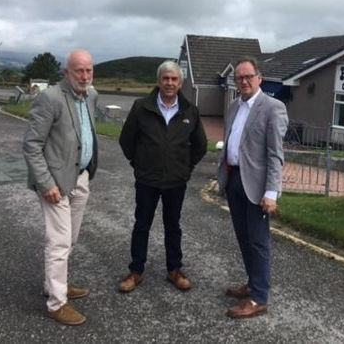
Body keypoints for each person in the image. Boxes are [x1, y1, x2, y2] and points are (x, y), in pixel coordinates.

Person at [23, 49, 98, 326]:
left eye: (89, 70)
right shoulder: (50, 98)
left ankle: (55, 284)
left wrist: (87, 172)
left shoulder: (91, 95)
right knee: (59, 242)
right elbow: (31, 145)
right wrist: (46, 183)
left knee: (72, 239)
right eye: (79, 70)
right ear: (66, 72)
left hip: (80, 178)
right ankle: (56, 303)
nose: (85, 75)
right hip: (55, 183)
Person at [118, 60, 207, 293]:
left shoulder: (190, 111)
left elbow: (200, 146)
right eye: (165, 78)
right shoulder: (141, 107)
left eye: (174, 79)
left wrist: (185, 169)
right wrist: (138, 165)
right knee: (142, 225)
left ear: (180, 83)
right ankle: (136, 271)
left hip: (176, 182)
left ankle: (174, 270)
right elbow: (126, 141)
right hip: (147, 180)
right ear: (159, 81)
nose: (169, 83)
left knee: (173, 226)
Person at [217, 57, 288, 319]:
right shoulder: (234, 106)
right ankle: (252, 283)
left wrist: (271, 192)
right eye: (239, 78)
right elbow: (230, 144)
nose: (244, 81)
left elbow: (275, 154)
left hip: (257, 187)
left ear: (260, 77)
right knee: (243, 237)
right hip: (235, 179)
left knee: (258, 241)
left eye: (249, 76)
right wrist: (221, 176)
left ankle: (259, 298)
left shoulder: (273, 107)